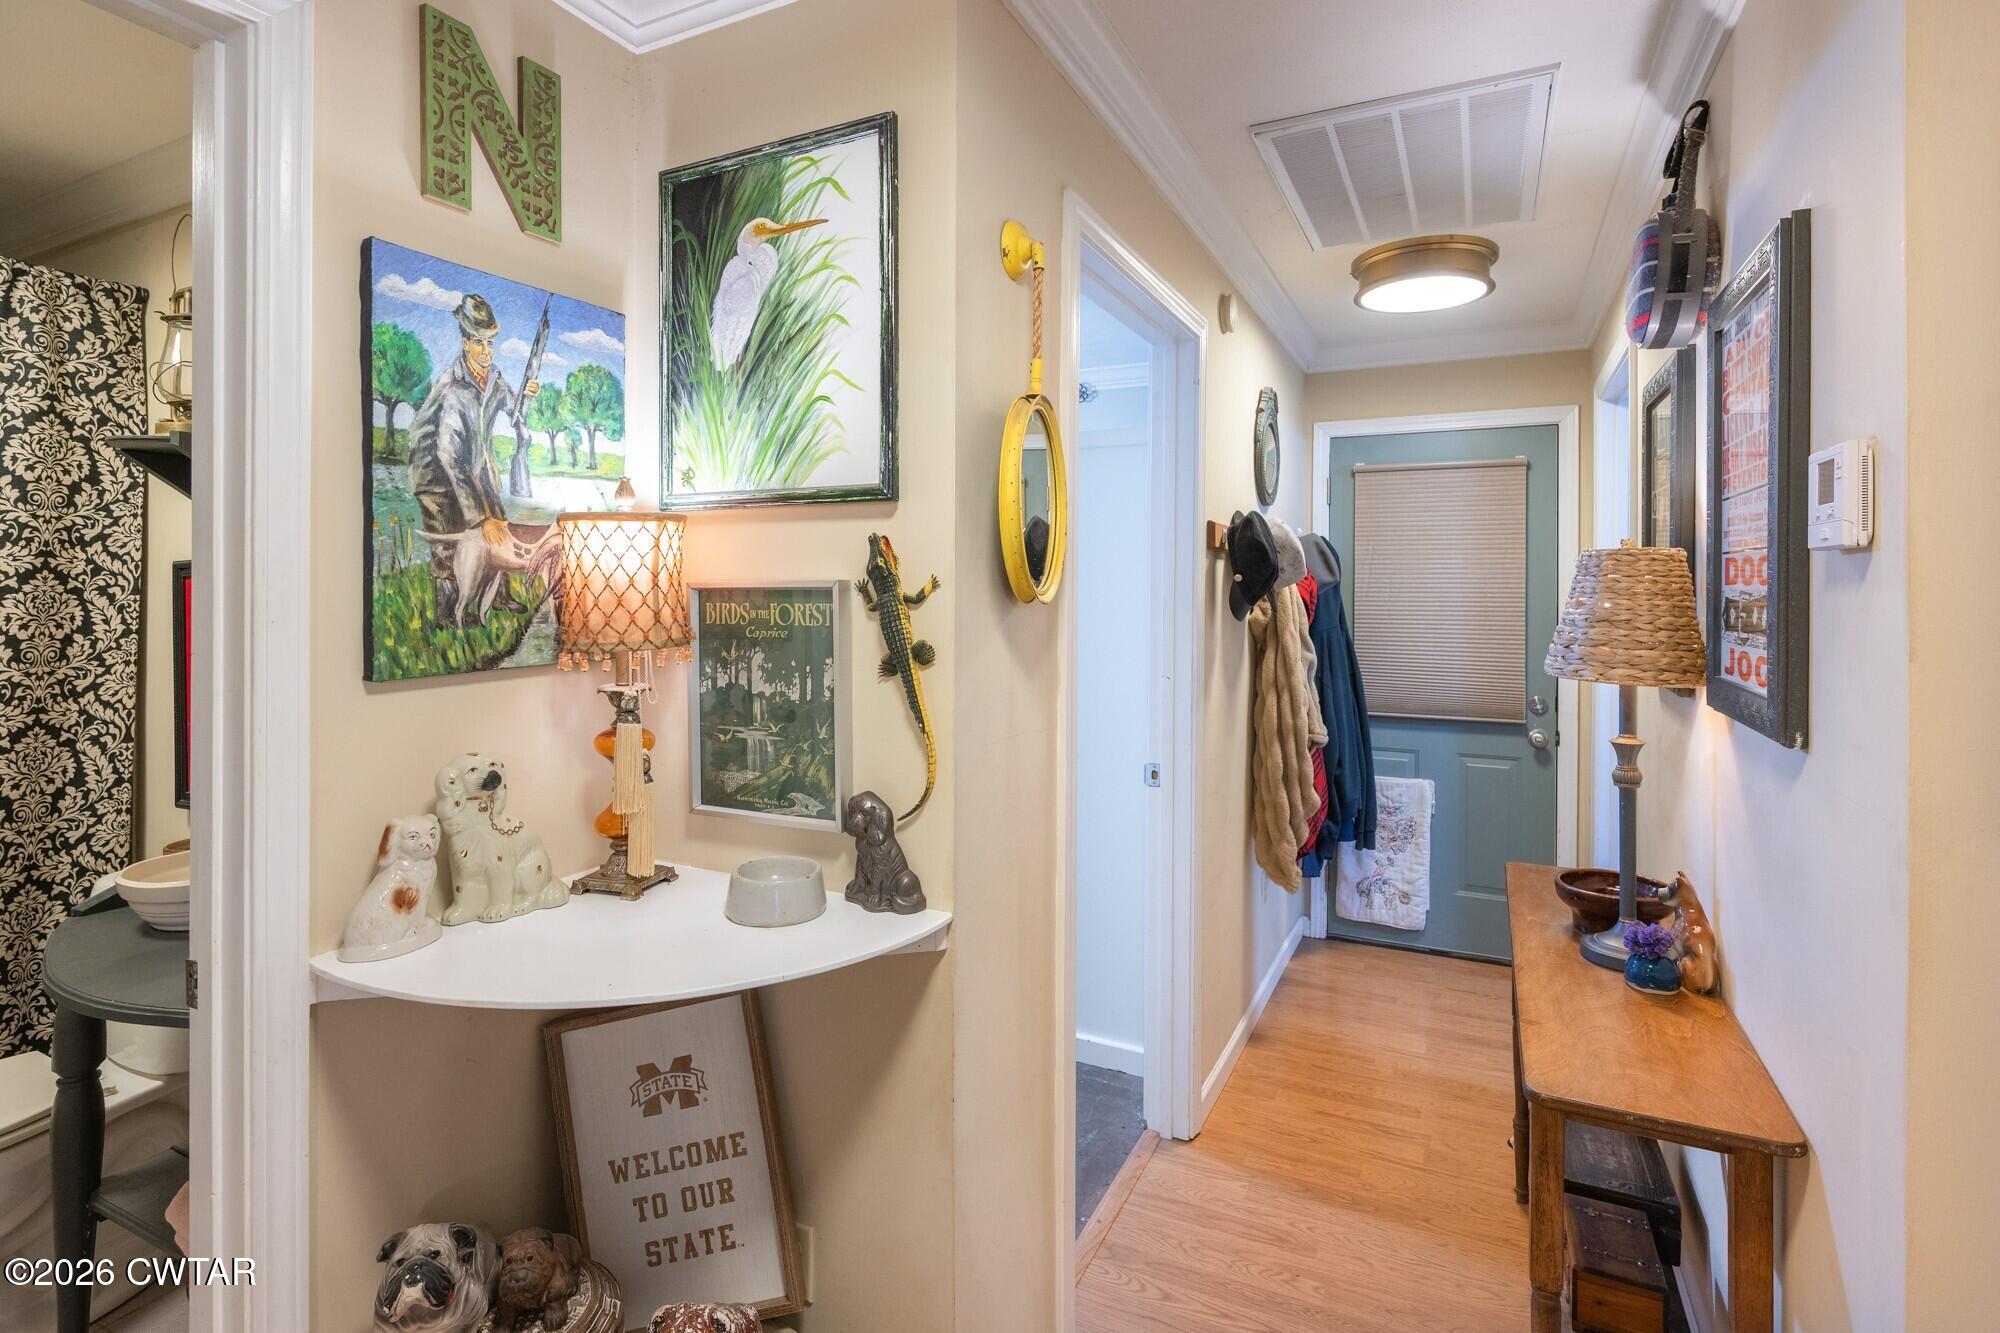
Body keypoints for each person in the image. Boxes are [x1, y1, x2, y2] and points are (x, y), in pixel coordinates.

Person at [405, 293, 539, 620]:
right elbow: (447, 453)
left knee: (499, 521)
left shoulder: (492, 377)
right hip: (435, 471)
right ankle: (448, 613)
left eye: (490, 343)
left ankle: (499, 596)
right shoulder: (452, 388)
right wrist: (479, 518)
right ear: (466, 343)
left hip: (472, 466)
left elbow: (512, 407)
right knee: (449, 537)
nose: (486, 351)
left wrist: (527, 396)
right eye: (479, 343)